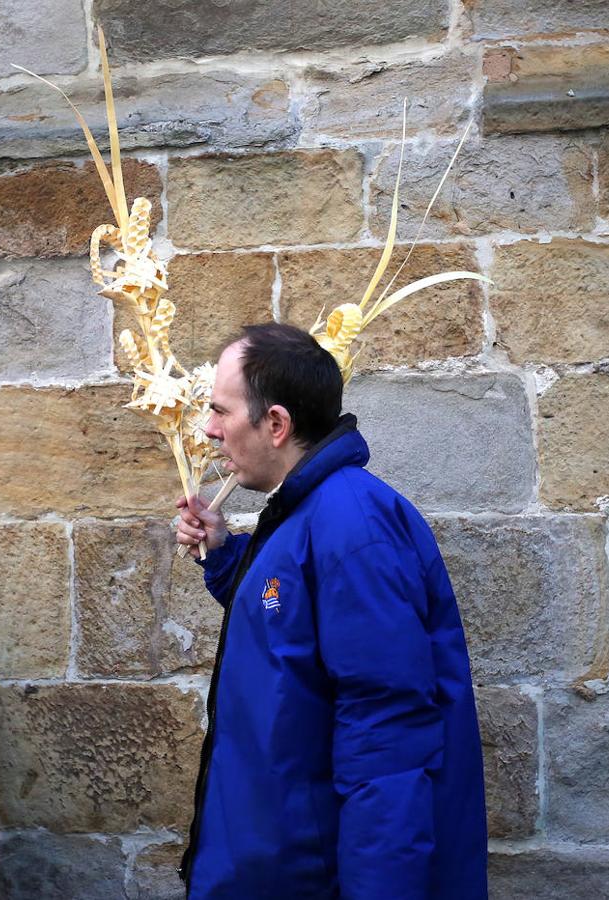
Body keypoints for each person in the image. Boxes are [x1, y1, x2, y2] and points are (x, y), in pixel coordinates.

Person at [174, 324, 487, 899]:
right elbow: (288, 622)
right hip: (274, 866)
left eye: (220, 411)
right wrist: (224, 556)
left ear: (275, 424)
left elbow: (386, 737)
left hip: (311, 876)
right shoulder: (308, 512)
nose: (209, 429)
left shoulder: (352, 525)